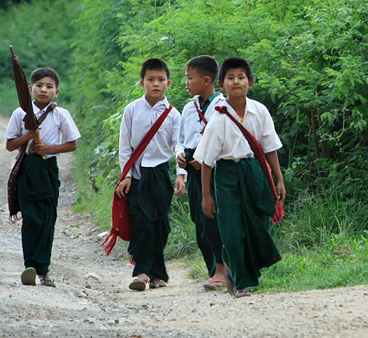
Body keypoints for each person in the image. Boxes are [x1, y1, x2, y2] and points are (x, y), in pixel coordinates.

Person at [193, 57, 286, 298]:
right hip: (226, 175)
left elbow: (269, 148)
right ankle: (241, 281)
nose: (236, 82)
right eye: (231, 78)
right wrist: (206, 195)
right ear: (222, 84)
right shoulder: (219, 117)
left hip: (254, 171)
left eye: (241, 77)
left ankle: (240, 272)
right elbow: (206, 161)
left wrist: (278, 179)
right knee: (232, 228)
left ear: (250, 83)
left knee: (256, 223)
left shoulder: (260, 111)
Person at [5, 68, 80, 287]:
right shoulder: (20, 114)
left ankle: (44, 270)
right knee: (31, 217)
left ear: (57, 92)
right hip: (28, 169)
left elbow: (72, 144)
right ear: (30, 89)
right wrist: (27, 136)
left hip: (48, 168)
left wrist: (48, 147)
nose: (43, 90)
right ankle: (30, 265)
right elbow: (10, 144)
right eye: (39, 85)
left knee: (47, 218)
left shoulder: (60, 114)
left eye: (49, 86)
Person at [116, 58, 181, 291]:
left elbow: (178, 147)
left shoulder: (173, 114)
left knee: (160, 224)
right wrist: (126, 175)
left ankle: (157, 274)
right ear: (142, 82)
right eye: (151, 80)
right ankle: (142, 273)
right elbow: (125, 146)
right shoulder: (132, 109)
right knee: (141, 222)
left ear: (169, 83)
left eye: (161, 80)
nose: (156, 84)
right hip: (136, 174)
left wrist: (181, 174)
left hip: (161, 173)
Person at [174, 55, 228, 290]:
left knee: (214, 220)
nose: (186, 83)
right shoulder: (188, 108)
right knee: (199, 221)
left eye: (190, 78)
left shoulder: (223, 107)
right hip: (194, 171)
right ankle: (212, 269)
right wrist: (181, 157)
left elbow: (227, 142)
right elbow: (182, 140)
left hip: (216, 172)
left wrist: (205, 158)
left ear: (206, 80)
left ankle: (221, 268)